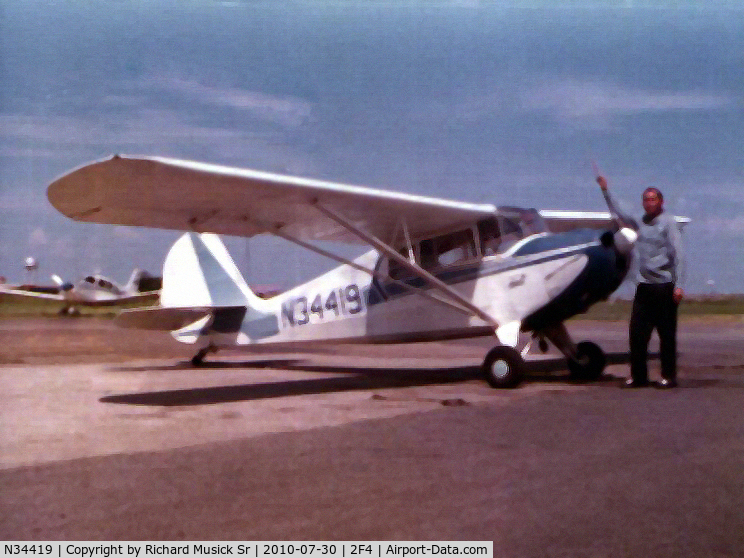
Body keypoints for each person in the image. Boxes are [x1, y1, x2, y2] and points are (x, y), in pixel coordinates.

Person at [596, 175, 685, 389]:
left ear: (661, 202)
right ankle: (638, 376)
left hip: (664, 287)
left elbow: (679, 255)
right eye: (646, 199)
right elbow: (619, 213)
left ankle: (668, 376)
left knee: (666, 336)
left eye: (653, 199)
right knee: (637, 334)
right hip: (643, 287)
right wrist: (606, 191)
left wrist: (679, 284)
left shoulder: (668, 223)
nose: (648, 203)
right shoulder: (639, 222)